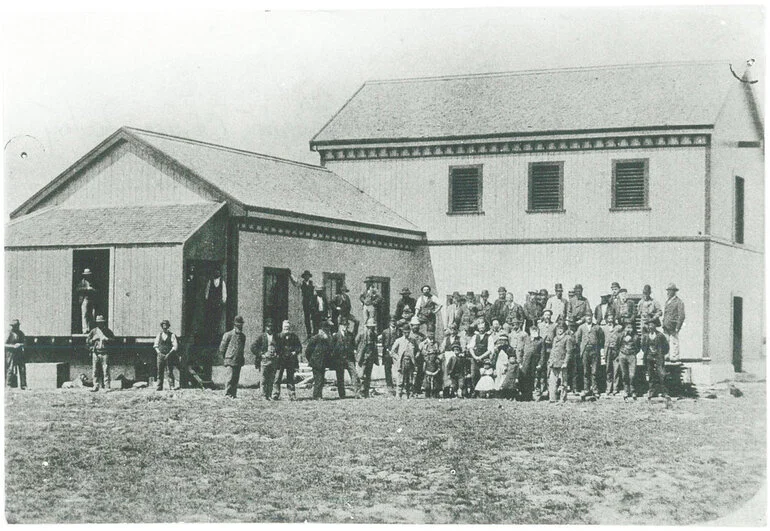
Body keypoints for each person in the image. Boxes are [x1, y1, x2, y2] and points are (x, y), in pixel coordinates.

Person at [576, 314, 604, 398]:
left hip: (594, 351)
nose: (588, 318)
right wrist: (582, 346)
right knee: (585, 371)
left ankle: (595, 390)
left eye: (590, 316)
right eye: (587, 316)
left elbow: (601, 338)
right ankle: (586, 389)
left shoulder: (597, 327)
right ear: (584, 317)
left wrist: (596, 346)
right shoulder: (581, 327)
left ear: (592, 317)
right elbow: (578, 339)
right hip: (585, 351)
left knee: (594, 371)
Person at [273, 320, 303, 400]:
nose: (286, 328)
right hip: (281, 360)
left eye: (288, 327)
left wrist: (294, 352)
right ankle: (275, 394)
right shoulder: (278, 336)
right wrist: (278, 353)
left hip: (291, 360)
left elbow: (299, 347)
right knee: (277, 377)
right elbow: (275, 346)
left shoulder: (294, 336)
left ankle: (292, 394)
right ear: (282, 327)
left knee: (290, 378)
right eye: (285, 327)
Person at [251, 319, 278, 400]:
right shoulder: (262, 337)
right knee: (263, 379)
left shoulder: (276, 336)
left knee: (271, 378)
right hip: (264, 361)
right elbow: (253, 347)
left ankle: (269, 395)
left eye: (271, 326)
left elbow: (280, 347)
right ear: (266, 327)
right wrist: (261, 354)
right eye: (268, 326)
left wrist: (277, 353)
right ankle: (263, 396)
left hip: (273, 360)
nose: (270, 328)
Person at [332, 317, 360, 398]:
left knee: (354, 375)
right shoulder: (336, 336)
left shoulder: (350, 335)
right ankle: (342, 394)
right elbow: (332, 349)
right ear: (340, 326)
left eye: (346, 325)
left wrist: (354, 351)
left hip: (349, 359)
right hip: (339, 359)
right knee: (340, 377)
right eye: (343, 325)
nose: (345, 327)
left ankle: (357, 393)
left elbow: (354, 345)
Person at [306, 320, 334, 399]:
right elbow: (308, 351)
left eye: (327, 330)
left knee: (321, 379)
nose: (326, 332)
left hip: (323, 362)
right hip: (316, 362)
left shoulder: (327, 340)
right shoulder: (315, 339)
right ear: (320, 330)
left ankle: (319, 395)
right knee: (318, 379)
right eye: (325, 330)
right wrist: (312, 360)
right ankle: (316, 396)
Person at [642, 320, 670, 399]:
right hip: (649, 357)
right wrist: (648, 353)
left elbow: (666, 347)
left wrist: (660, 354)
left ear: (655, 326)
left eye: (652, 325)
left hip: (658, 357)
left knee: (661, 374)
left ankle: (664, 392)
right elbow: (643, 346)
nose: (650, 327)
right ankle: (651, 391)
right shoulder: (646, 336)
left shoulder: (660, 335)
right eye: (649, 325)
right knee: (650, 374)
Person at [219, 315, 245, 398]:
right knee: (229, 378)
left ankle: (233, 394)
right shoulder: (228, 335)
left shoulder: (243, 336)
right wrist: (226, 357)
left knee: (235, 378)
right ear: (234, 325)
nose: (239, 327)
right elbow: (222, 348)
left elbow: (242, 348)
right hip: (230, 359)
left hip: (238, 360)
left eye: (240, 325)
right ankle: (227, 394)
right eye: (237, 325)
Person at [87, 315, 116, 392]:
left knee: (105, 370)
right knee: (95, 370)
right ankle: (95, 386)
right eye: (98, 323)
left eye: (101, 323)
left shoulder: (108, 331)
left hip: (105, 353)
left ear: (104, 323)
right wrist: (93, 340)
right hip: (96, 353)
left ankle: (107, 386)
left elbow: (114, 340)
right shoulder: (93, 331)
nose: (100, 324)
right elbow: (87, 341)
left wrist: (107, 339)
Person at [548, 323, 573, 403]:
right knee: (552, 381)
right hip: (554, 363)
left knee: (563, 382)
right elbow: (553, 350)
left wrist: (565, 362)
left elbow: (569, 352)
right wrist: (550, 360)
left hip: (562, 363)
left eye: (561, 328)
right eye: (558, 328)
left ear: (564, 329)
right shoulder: (555, 338)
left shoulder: (567, 338)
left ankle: (563, 398)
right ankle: (552, 398)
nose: (560, 330)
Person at [518, 323, 543, 401]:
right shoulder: (526, 339)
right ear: (530, 331)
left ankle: (534, 395)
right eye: (533, 330)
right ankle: (525, 395)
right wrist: (520, 362)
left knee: (534, 378)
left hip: (535, 362)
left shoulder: (540, 340)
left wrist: (540, 363)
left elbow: (543, 353)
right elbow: (521, 350)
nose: (534, 332)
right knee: (525, 378)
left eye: (536, 330)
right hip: (525, 361)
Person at [392, 325, 419, 398]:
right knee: (400, 378)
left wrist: (415, 356)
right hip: (402, 362)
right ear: (403, 332)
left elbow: (418, 351)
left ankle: (409, 394)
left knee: (410, 378)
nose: (406, 334)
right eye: (405, 332)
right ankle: (399, 394)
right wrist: (398, 358)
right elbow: (392, 351)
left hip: (410, 362)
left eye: (408, 332)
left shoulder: (413, 341)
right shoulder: (399, 340)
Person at [153, 319, 179, 391]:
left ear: (168, 326)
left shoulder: (172, 335)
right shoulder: (159, 335)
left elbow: (175, 346)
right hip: (160, 355)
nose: (164, 327)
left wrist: (169, 354)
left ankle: (171, 386)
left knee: (169, 371)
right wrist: (159, 353)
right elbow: (155, 345)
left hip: (169, 356)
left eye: (166, 326)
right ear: (162, 327)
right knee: (159, 371)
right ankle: (159, 386)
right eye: (163, 326)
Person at [662, 283, 685, 362]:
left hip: (673, 325)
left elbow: (681, 315)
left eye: (669, 291)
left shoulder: (678, 302)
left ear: (674, 291)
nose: (668, 292)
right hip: (666, 325)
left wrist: (678, 327)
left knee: (674, 341)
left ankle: (675, 357)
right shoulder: (667, 301)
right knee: (665, 341)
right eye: (668, 290)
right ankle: (666, 356)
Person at [357, 318, 379, 397]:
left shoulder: (374, 334)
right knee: (361, 375)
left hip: (371, 357)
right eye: (370, 327)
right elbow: (356, 343)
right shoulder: (362, 334)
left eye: (373, 327)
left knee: (368, 375)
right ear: (367, 326)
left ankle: (366, 392)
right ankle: (360, 392)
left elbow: (375, 345)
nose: (371, 328)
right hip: (363, 357)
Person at [204, 268, 227, 344]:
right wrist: (207, 300)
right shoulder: (210, 281)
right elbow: (207, 293)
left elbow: (224, 293)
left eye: (218, 272)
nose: (216, 273)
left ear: (220, 273)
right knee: (210, 321)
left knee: (217, 321)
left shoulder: (222, 282)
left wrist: (222, 301)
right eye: (215, 272)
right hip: (211, 305)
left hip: (218, 305)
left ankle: (216, 338)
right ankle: (210, 337)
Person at [618, 323, 640, 400]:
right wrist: (621, 353)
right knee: (624, 374)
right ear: (625, 328)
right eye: (627, 327)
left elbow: (638, 347)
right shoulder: (621, 335)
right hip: (622, 355)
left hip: (632, 356)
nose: (629, 329)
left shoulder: (636, 337)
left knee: (632, 374)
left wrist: (633, 353)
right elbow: (618, 344)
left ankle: (633, 390)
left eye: (630, 328)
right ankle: (626, 390)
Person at [603, 314, 624, 396]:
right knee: (608, 369)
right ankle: (608, 388)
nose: (610, 320)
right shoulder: (604, 328)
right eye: (609, 318)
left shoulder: (618, 327)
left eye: (612, 318)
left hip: (616, 350)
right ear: (607, 319)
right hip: (608, 350)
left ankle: (615, 388)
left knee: (616, 370)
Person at [379, 316, 400, 395]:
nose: (393, 323)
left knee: (398, 368)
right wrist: (387, 349)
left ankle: (399, 384)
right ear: (389, 322)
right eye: (391, 321)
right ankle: (389, 385)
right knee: (387, 369)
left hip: (396, 352)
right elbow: (383, 343)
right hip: (387, 352)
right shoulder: (385, 332)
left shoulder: (399, 331)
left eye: (394, 321)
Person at [468, 320, 491, 387]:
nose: (481, 329)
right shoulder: (475, 336)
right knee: (474, 375)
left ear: (485, 328)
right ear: (478, 328)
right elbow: (470, 348)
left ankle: (483, 391)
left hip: (485, 359)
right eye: (480, 328)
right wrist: (475, 357)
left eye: (483, 328)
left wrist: (481, 357)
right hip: (475, 358)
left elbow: (489, 350)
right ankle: (474, 390)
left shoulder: (489, 337)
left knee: (483, 374)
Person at [5, 319, 26, 389]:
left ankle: (23, 385)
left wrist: (20, 344)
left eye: (17, 325)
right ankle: (8, 384)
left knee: (22, 368)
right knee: (10, 368)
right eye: (15, 326)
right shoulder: (8, 333)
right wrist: (13, 346)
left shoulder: (21, 333)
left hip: (19, 352)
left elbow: (25, 343)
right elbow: (3, 344)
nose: (17, 327)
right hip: (10, 353)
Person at [77, 268, 98, 334]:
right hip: (85, 299)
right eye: (86, 275)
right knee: (85, 314)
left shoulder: (93, 282)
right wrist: (86, 289)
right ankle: (85, 329)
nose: (87, 276)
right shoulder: (82, 282)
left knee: (92, 314)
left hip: (92, 299)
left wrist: (92, 290)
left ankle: (91, 329)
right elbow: (77, 289)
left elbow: (97, 290)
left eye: (88, 275)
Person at [299, 270, 316, 338]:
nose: (307, 277)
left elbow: (317, 288)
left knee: (314, 316)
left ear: (309, 276)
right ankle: (308, 332)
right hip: (305, 302)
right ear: (304, 277)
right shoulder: (302, 283)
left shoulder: (312, 283)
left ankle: (314, 332)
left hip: (311, 301)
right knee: (307, 318)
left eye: (308, 275)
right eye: (305, 276)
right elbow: (295, 282)